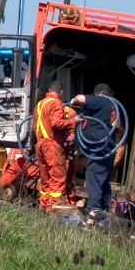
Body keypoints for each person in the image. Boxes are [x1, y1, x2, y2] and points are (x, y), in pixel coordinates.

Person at [70, 83, 120, 221]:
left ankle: (93, 210)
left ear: (98, 93)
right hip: (107, 147)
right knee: (103, 179)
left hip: (100, 148)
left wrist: (74, 100)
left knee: (93, 176)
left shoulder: (102, 100)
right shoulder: (112, 106)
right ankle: (105, 210)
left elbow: (80, 98)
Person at [33, 79, 78, 211]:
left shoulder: (40, 104)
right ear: (61, 92)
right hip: (52, 145)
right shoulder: (56, 103)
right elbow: (56, 123)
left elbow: (35, 125)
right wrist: (73, 120)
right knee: (57, 178)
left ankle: (43, 205)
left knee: (45, 178)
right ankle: (53, 209)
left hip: (40, 143)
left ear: (49, 90)